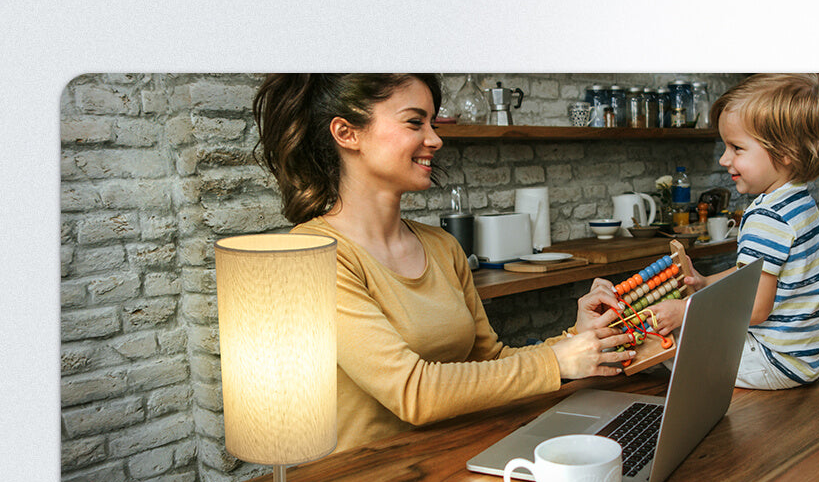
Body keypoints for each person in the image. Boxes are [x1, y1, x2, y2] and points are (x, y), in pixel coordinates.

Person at [252, 74, 633, 451]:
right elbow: (412, 391)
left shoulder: (442, 246)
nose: (435, 139)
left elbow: (490, 362)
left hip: (459, 455)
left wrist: (575, 340)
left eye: (432, 123)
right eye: (415, 122)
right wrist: (556, 361)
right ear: (347, 133)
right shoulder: (314, 255)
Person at [649, 74, 819, 390]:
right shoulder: (797, 200)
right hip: (803, 358)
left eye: (737, 148)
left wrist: (686, 310)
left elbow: (756, 308)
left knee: (664, 340)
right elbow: (753, 274)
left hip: (772, 360)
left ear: (786, 152)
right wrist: (706, 283)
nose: (725, 159)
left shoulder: (767, 216)